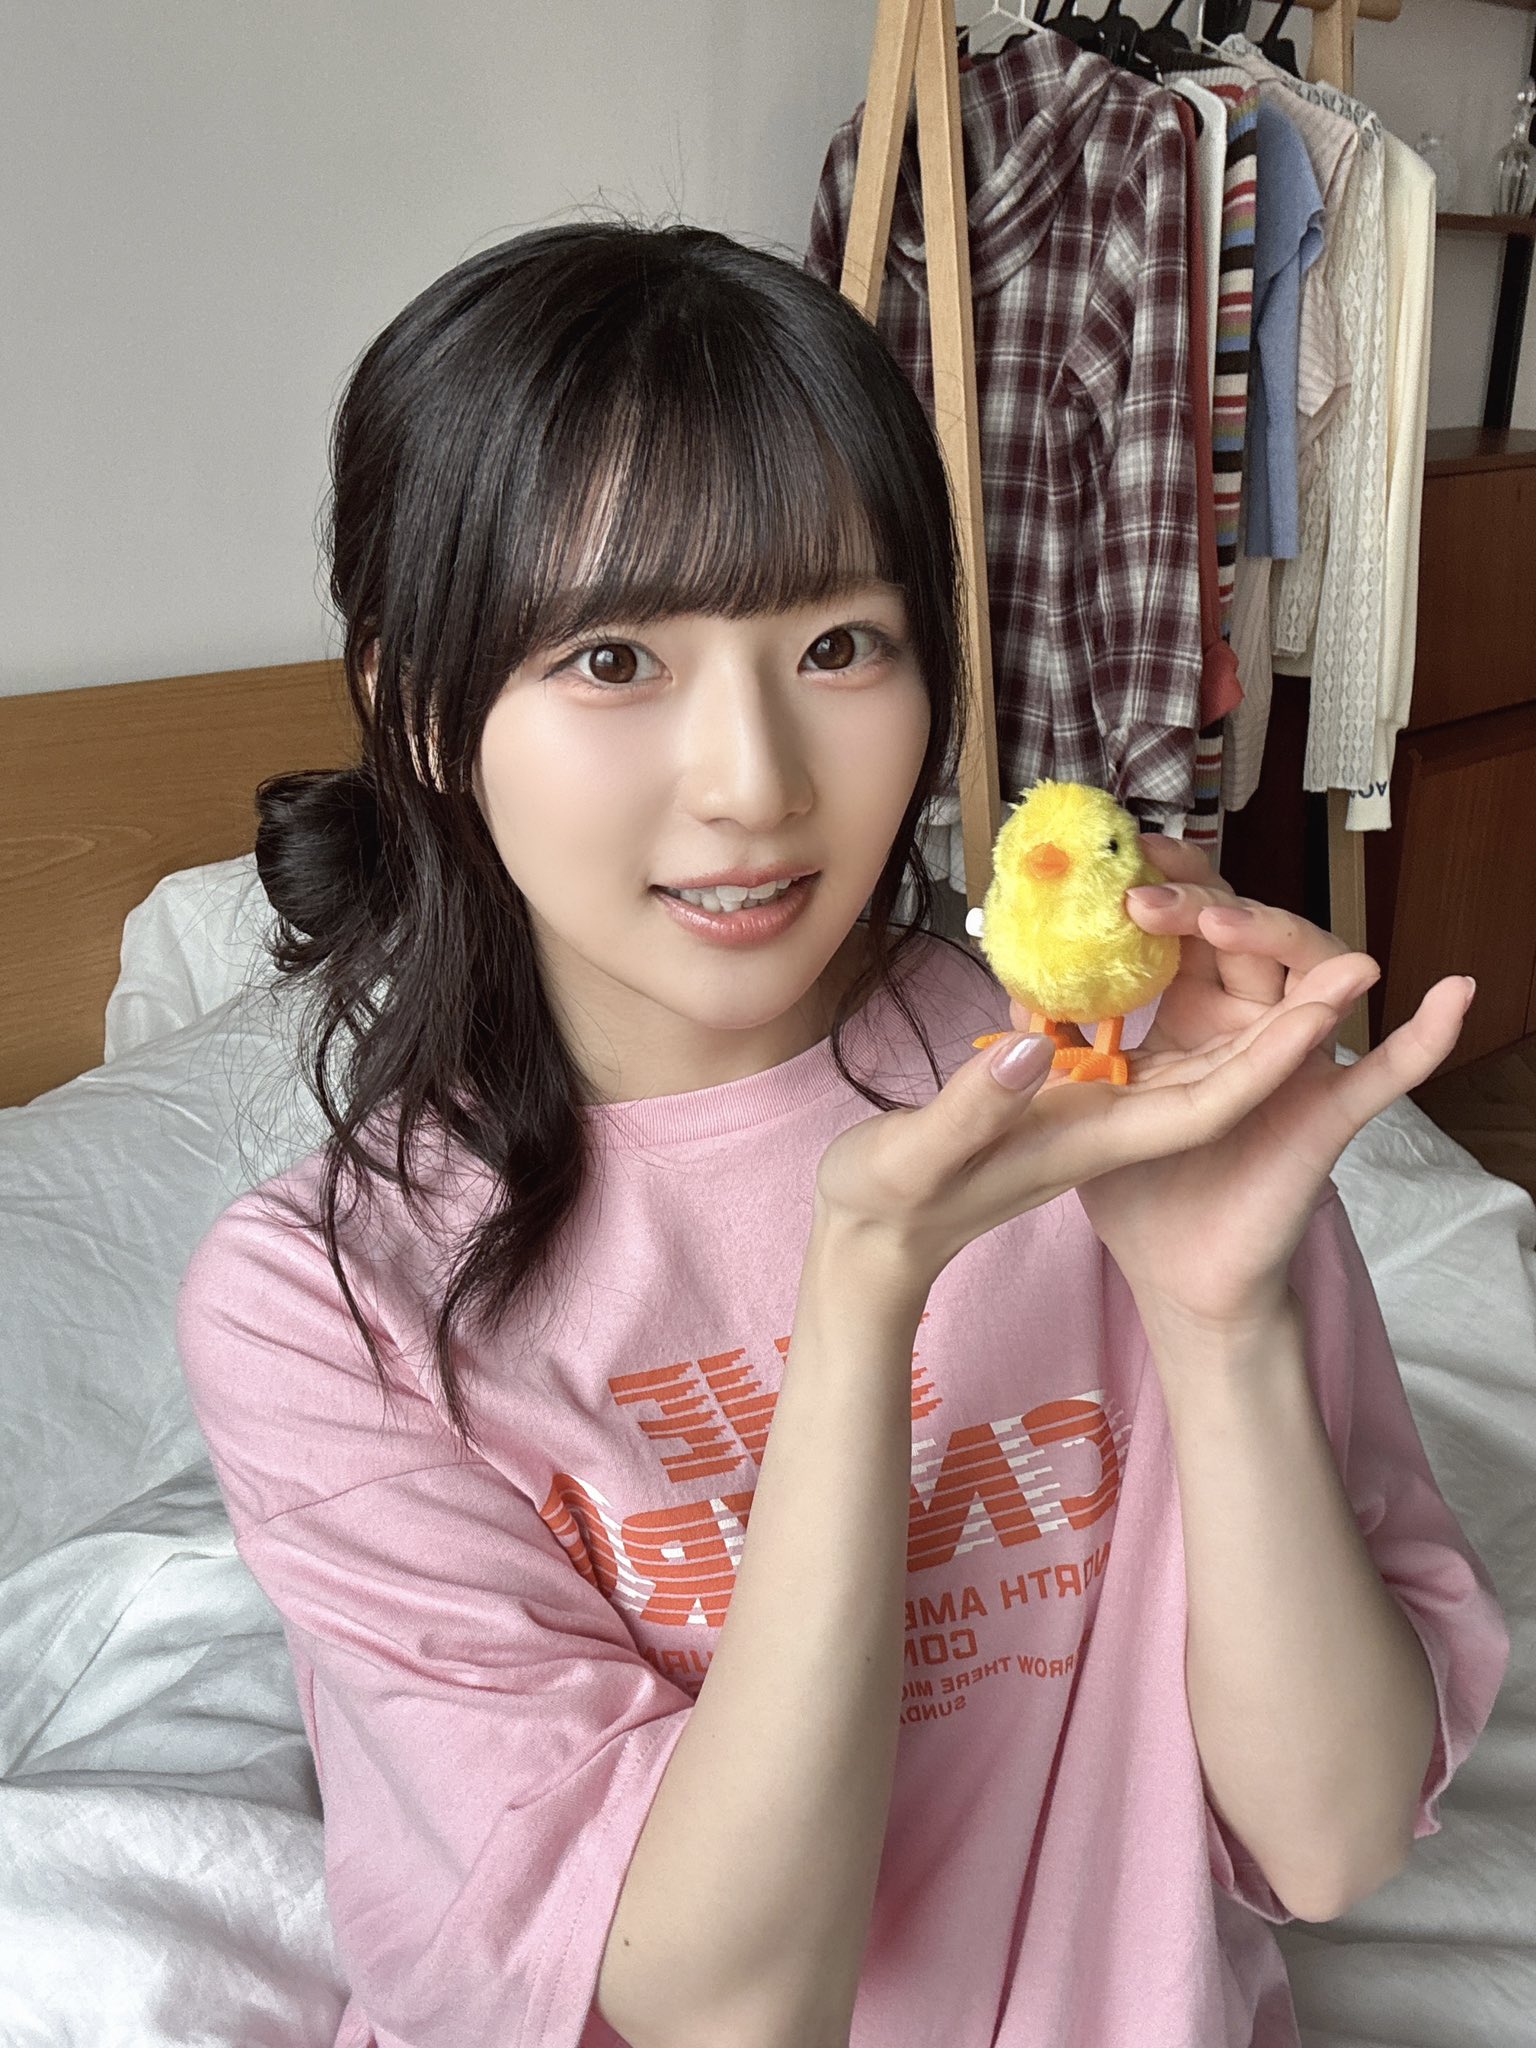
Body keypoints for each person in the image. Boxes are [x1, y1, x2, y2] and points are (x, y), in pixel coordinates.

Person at [175, 220, 1509, 2048]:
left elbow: (1333, 1838)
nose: (754, 785)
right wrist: (865, 1288)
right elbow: (732, 2007)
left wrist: (1221, 1322)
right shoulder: (324, 1303)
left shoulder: (1116, 1088)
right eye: (614, 659)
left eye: (837, 644)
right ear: (419, 702)